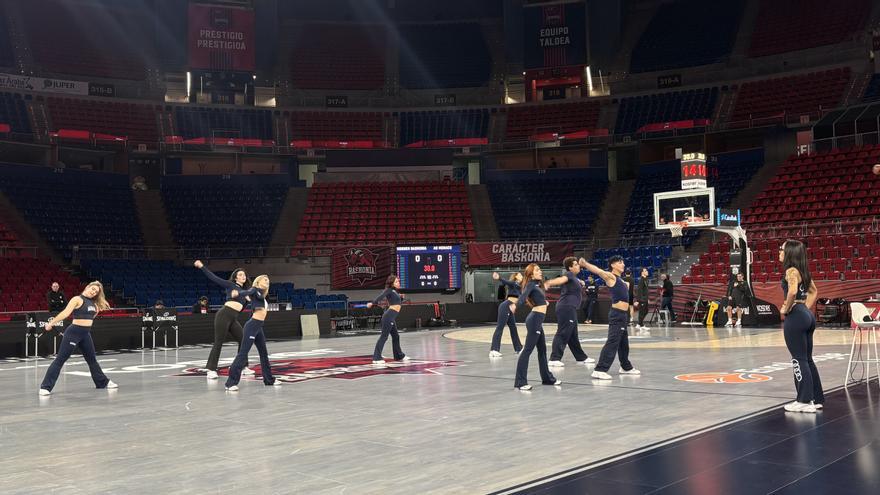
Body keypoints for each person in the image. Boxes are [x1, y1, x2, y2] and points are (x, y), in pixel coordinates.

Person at [38, 281, 118, 395]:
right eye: (93, 289)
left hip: (85, 334)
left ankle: (102, 382)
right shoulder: (77, 299)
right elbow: (65, 313)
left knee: (92, 360)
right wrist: (52, 323)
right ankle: (45, 387)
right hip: (73, 332)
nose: (93, 292)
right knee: (60, 360)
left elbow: (91, 318)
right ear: (87, 287)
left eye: (96, 292)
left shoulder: (94, 304)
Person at [779, 240, 823, 413]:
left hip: (796, 316)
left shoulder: (791, 271)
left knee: (798, 359)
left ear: (789, 252)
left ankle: (803, 400)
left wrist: (787, 307)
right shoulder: (803, 270)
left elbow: (791, 291)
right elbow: (814, 291)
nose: (779, 252)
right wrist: (804, 307)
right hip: (806, 315)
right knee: (808, 359)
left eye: (781, 249)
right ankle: (815, 398)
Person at [579, 256, 640, 380]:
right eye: (619, 262)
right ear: (613, 265)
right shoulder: (611, 277)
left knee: (623, 343)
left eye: (623, 262)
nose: (623, 264)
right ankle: (600, 369)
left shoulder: (621, 281)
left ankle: (626, 367)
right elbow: (598, 271)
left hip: (623, 315)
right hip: (617, 315)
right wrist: (585, 264)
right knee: (612, 342)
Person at [194, 260, 252, 379]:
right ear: (235, 278)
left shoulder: (245, 292)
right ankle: (210, 369)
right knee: (218, 342)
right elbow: (214, 278)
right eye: (240, 275)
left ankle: (241, 366)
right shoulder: (231, 285)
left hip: (233, 318)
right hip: (224, 315)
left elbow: (240, 309)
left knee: (243, 340)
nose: (243, 276)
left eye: (244, 275)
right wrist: (202, 267)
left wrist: (247, 300)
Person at [224, 275, 282, 391]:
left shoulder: (261, 295)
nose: (267, 281)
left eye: (268, 280)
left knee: (264, 354)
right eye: (265, 280)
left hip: (258, 326)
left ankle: (269, 380)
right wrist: (238, 294)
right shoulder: (254, 290)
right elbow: (247, 291)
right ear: (258, 282)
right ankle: (230, 383)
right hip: (252, 326)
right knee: (243, 353)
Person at [514, 264, 560, 390]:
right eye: (537, 270)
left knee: (542, 350)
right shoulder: (530, 284)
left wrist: (543, 302)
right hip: (534, 319)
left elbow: (536, 299)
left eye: (540, 269)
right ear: (531, 274)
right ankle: (520, 382)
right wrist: (515, 305)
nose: (540, 271)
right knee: (527, 350)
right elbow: (523, 297)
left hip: (537, 320)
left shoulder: (537, 285)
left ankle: (547, 379)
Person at [545, 257, 594, 367]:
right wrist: (550, 282)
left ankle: (581, 357)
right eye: (575, 264)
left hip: (569, 308)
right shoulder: (569, 274)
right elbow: (561, 279)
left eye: (578, 264)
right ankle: (554, 358)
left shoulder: (574, 278)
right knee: (563, 332)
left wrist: (579, 281)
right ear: (570, 267)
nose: (578, 266)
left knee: (573, 335)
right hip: (566, 307)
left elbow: (572, 282)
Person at [367, 275, 410, 365]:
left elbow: (397, 303)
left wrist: (401, 298)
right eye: (396, 282)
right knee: (384, 336)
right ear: (392, 283)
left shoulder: (394, 291)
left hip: (391, 317)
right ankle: (376, 357)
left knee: (396, 336)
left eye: (398, 281)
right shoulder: (389, 290)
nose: (398, 283)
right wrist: (372, 303)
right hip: (388, 317)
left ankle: (399, 356)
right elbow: (381, 296)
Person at [489, 272, 523, 358]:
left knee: (513, 328)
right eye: (520, 274)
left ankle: (518, 348)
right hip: (506, 306)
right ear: (516, 277)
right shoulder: (513, 283)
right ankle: (494, 350)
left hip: (511, 307)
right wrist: (499, 278)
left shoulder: (520, 287)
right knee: (500, 327)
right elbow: (506, 282)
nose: (521, 276)